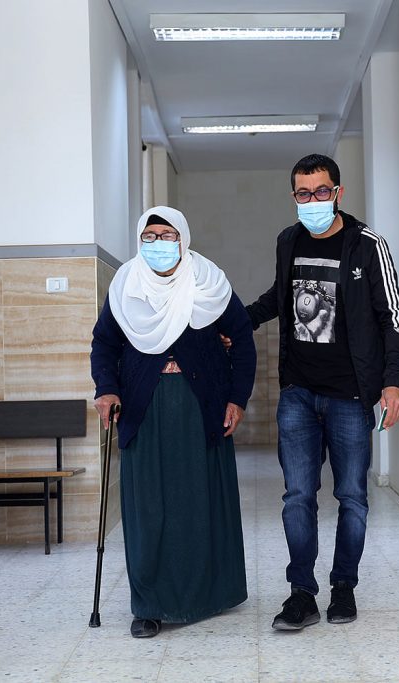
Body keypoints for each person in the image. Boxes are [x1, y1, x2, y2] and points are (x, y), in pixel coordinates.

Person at [248, 153, 399, 630]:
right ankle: (301, 593)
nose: (313, 200)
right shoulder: (288, 240)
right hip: (299, 393)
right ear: (294, 196)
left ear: (337, 193)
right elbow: (278, 299)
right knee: (297, 496)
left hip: (350, 397)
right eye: (304, 193)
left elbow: (394, 318)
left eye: (321, 191)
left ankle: (343, 587)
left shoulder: (368, 244)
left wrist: (393, 382)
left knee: (352, 497)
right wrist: (235, 322)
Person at [90, 206, 256, 638]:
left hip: (202, 407)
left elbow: (242, 339)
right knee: (149, 509)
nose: (158, 244)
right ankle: (148, 606)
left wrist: (237, 398)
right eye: (150, 236)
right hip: (144, 409)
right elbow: (104, 343)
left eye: (167, 235)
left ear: (183, 238)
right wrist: (106, 388)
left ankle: (209, 594)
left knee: (201, 503)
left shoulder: (209, 283)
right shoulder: (126, 285)